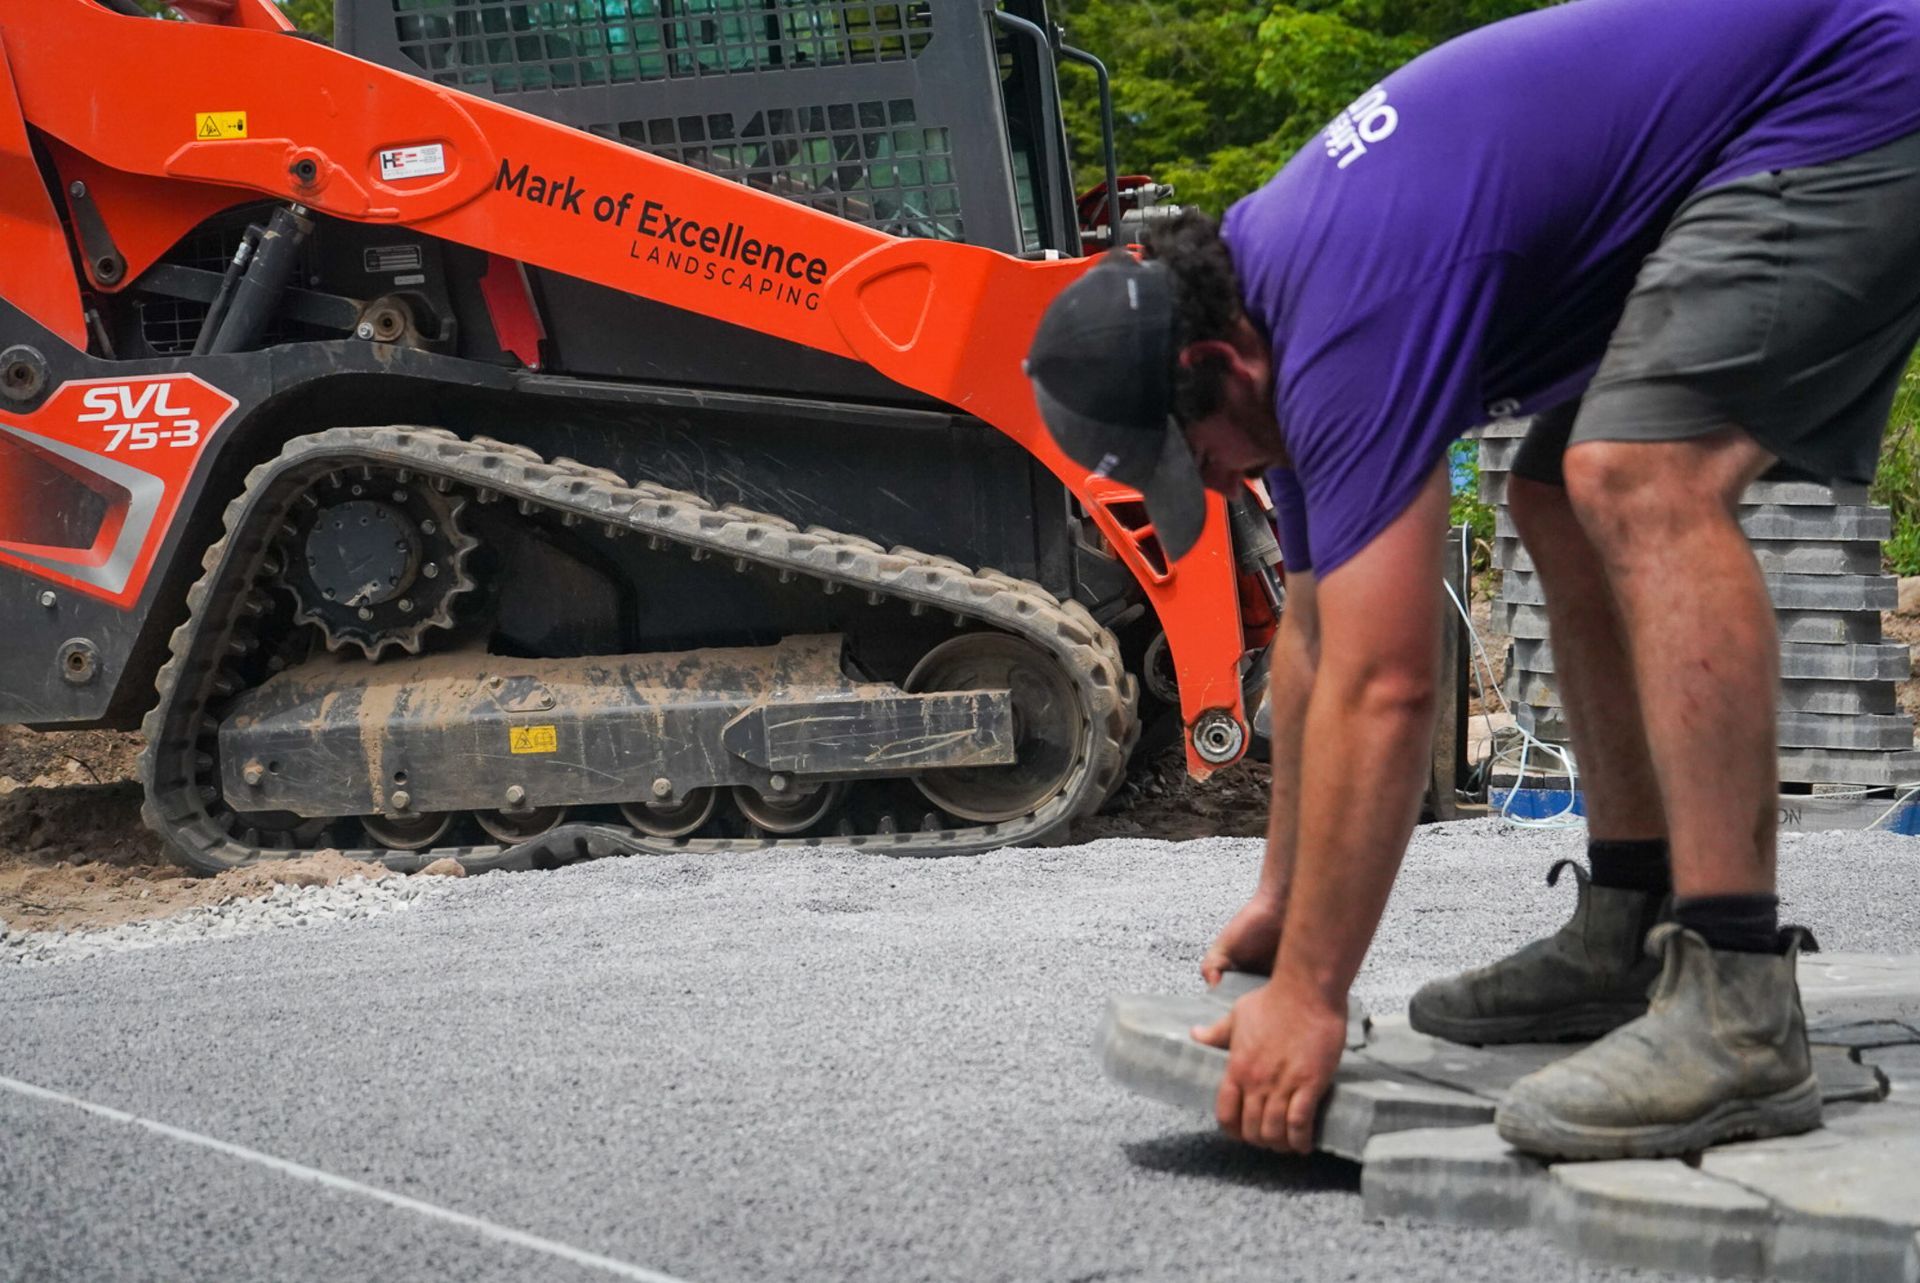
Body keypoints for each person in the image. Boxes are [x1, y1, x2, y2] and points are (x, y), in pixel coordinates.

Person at [1024, 0, 1920, 1159]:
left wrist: (1309, 995)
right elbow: (1313, 635)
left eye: (1197, 458)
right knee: (1555, 484)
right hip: (1769, 118)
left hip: (1852, 96)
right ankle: (1633, 922)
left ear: (1212, 365)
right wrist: (1286, 899)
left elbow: (1390, 684)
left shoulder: (1346, 306)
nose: (1220, 477)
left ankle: (1738, 1002)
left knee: (1641, 473)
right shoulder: (1265, 310)